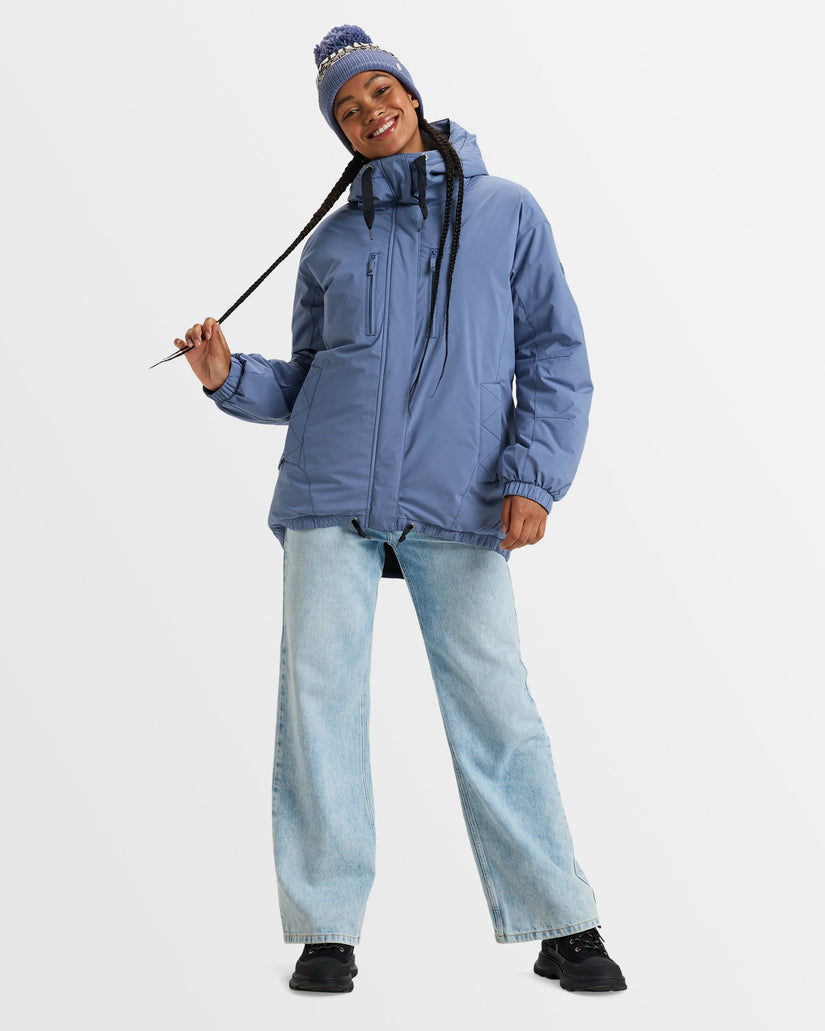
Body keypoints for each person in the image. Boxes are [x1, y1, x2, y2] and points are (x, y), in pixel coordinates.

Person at [173, 24, 627, 995]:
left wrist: (534, 477)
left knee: (497, 705)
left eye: (379, 93)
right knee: (319, 706)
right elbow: (309, 379)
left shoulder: (507, 212)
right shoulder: (334, 243)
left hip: (462, 495)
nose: (369, 113)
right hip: (328, 494)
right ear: (340, 132)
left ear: (411, 96)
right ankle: (325, 929)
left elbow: (555, 355)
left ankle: (561, 920)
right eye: (348, 110)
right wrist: (227, 376)